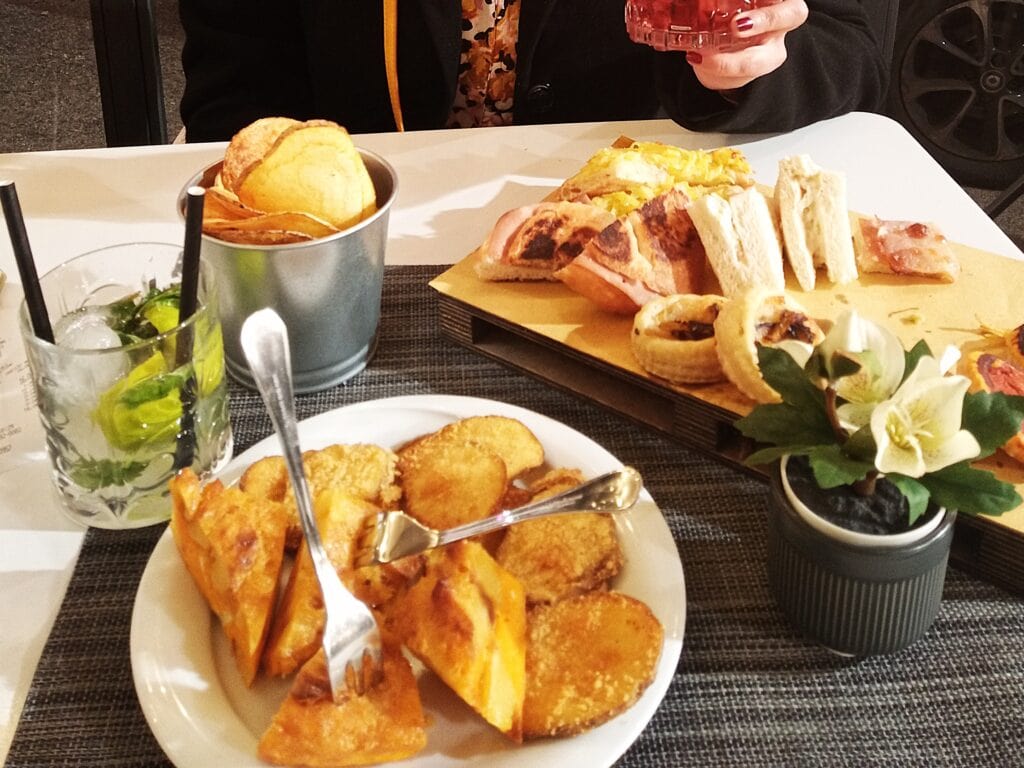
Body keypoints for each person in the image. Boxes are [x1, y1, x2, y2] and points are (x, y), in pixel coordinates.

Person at [178, 0, 888, 143]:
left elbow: (849, 45)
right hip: (362, 245)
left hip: (633, 247)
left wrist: (747, 71)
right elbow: (235, 106)